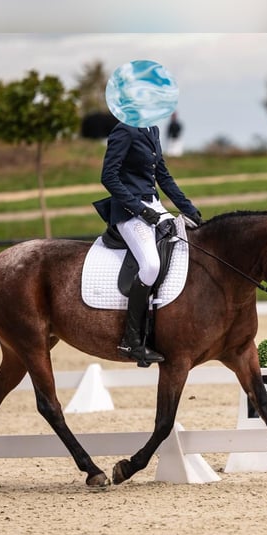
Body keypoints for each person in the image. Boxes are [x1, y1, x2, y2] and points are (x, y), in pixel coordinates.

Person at [97, 121, 203, 365]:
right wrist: (138, 210)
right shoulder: (124, 130)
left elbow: (163, 176)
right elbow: (109, 177)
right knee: (151, 266)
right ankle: (132, 340)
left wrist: (188, 209)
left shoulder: (152, 129)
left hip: (154, 206)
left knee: (188, 246)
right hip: (129, 212)